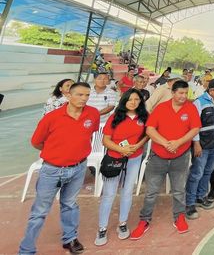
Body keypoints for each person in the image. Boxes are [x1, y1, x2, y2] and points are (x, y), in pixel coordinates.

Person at [19, 82, 99, 255]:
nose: (84, 98)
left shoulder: (93, 114)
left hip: (79, 167)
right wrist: (56, 153)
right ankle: (26, 249)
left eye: (87, 95)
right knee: (40, 211)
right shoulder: (52, 117)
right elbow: (36, 142)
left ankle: (70, 239)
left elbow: (88, 134)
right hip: (52, 170)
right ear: (68, 95)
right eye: (79, 95)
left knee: (70, 204)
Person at [130, 80, 201, 240]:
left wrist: (178, 142)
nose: (183, 96)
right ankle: (144, 220)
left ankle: (179, 217)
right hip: (158, 156)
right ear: (173, 93)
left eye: (186, 93)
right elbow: (150, 129)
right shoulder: (161, 108)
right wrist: (166, 143)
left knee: (179, 190)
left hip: (180, 156)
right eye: (180, 93)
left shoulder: (191, 108)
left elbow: (195, 128)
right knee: (151, 192)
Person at [95, 89, 149, 246]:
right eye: (130, 99)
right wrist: (121, 149)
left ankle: (122, 223)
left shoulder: (144, 116)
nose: (133, 102)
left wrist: (137, 146)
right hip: (114, 158)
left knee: (127, 191)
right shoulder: (115, 117)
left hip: (134, 158)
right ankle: (102, 228)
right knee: (109, 193)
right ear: (124, 100)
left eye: (136, 99)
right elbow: (106, 140)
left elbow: (147, 134)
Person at [185, 78, 214, 219]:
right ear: (212, 90)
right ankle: (190, 203)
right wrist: (196, 143)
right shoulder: (199, 102)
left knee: (208, 171)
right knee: (197, 173)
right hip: (202, 145)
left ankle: (200, 196)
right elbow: (193, 124)